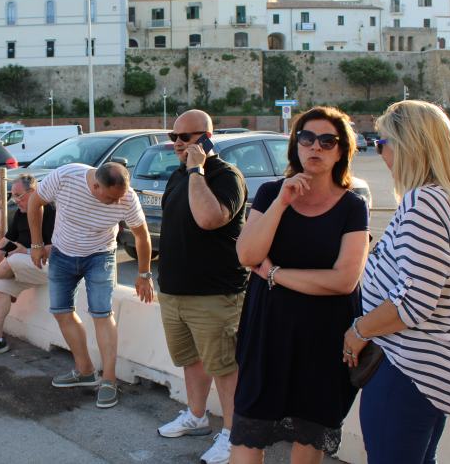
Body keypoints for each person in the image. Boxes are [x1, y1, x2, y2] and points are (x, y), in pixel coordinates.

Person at [343, 100, 450, 464]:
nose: (380, 153)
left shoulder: (426, 203)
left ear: (408, 146)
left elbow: (413, 302)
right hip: (427, 369)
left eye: (381, 143)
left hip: (409, 370)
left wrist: (357, 332)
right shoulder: (449, 201)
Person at [232, 106, 369, 462]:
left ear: (341, 151)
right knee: (250, 432)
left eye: (328, 141)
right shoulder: (270, 193)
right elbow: (247, 254)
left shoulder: (352, 206)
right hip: (267, 330)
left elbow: (344, 280)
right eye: (307, 138)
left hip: (324, 337)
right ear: (296, 145)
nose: (316, 147)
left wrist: (276, 275)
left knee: (310, 433)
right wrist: (282, 202)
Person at [155, 110, 248, 464]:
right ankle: (196, 417)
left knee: (224, 366)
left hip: (214, 293)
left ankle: (233, 434)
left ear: (207, 138)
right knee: (190, 360)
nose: (177, 143)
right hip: (175, 290)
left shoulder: (226, 176)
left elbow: (210, 219)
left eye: (186, 137)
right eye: (173, 136)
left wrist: (197, 170)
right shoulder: (176, 176)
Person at [28, 162, 153, 409]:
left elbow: (142, 235)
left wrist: (145, 274)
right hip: (62, 253)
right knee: (61, 311)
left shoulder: (126, 198)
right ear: (95, 186)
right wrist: (36, 243)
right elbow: (34, 202)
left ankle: (108, 379)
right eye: (110, 198)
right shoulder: (66, 176)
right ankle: (85, 370)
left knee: (102, 313)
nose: (117, 203)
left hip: (100, 255)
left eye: (120, 198)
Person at [0, 174, 55, 358]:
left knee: (12, 260)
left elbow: (56, 248)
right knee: (3, 285)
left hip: (47, 266)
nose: (16, 200)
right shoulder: (21, 213)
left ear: (33, 192)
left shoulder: (50, 211)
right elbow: (6, 240)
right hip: (23, 266)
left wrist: (27, 252)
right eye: (13, 195)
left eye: (19, 195)